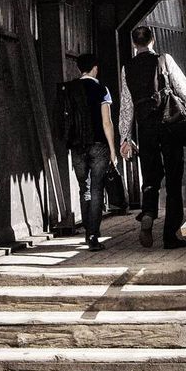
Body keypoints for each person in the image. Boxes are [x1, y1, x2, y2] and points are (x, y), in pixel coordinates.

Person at [119, 26, 186, 249]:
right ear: (153, 40)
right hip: (170, 126)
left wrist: (125, 137)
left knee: (150, 177)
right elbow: (184, 90)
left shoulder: (127, 68)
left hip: (145, 129)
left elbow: (127, 106)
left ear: (133, 44)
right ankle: (170, 236)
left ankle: (148, 213)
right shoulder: (164, 60)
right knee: (174, 181)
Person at [62, 53, 117, 251]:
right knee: (96, 190)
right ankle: (93, 235)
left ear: (79, 69)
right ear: (95, 67)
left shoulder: (68, 89)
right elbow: (106, 122)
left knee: (84, 188)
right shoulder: (101, 89)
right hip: (98, 146)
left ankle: (88, 231)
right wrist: (112, 150)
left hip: (77, 146)